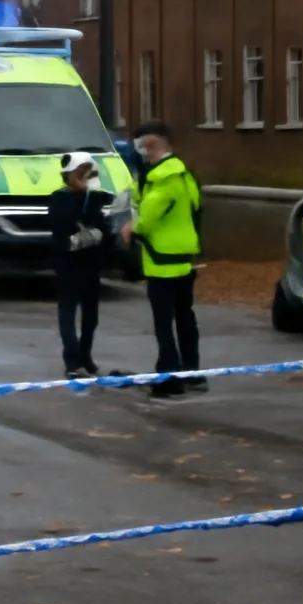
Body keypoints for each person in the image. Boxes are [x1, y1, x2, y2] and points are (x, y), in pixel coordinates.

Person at [121, 121, 204, 399]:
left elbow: (148, 215)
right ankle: (192, 372)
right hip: (183, 257)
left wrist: (132, 228)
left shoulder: (162, 177)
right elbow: (195, 206)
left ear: (149, 146)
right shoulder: (185, 174)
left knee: (164, 322)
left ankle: (169, 376)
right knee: (185, 318)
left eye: (140, 147)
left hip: (161, 259)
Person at [48, 151, 109, 378]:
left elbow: (103, 225)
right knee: (68, 310)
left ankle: (86, 355)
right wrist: (82, 236)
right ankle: (71, 359)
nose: (85, 177)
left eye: (88, 172)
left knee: (91, 315)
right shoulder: (59, 198)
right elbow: (61, 230)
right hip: (68, 263)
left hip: (91, 263)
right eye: (80, 172)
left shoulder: (95, 197)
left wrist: (98, 233)